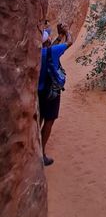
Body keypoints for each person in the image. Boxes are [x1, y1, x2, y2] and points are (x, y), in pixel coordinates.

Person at [38, 25, 72, 166]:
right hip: (51, 91)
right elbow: (69, 42)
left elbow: (52, 48)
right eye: (48, 35)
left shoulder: (40, 52)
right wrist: (66, 33)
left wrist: (58, 36)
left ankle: (34, 149)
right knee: (49, 120)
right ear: (46, 41)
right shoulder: (52, 51)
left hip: (38, 91)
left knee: (39, 119)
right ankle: (41, 154)